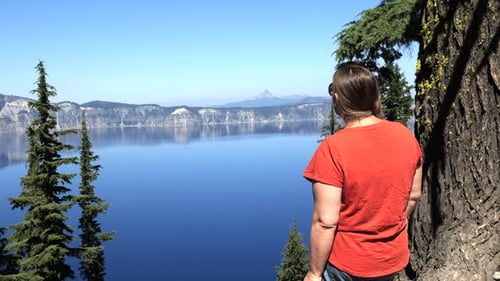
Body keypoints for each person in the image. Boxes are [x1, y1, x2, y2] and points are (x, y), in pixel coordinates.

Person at [302, 63, 423, 281]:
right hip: (391, 258)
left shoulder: (333, 148)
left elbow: (325, 221)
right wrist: (387, 225)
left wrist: (314, 273)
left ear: (337, 98)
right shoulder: (405, 135)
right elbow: (413, 195)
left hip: (348, 263)